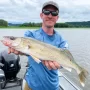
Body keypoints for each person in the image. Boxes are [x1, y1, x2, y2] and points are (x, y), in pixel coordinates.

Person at [2, 1, 68, 90]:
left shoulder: (62, 41)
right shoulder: (30, 34)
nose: (50, 15)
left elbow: (65, 62)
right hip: (31, 85)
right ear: (41, 15)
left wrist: (59, 65)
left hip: (52, 86)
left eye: (54, 13)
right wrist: (21, 52)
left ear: (57, 17)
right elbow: (27, 51)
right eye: (46, 12)